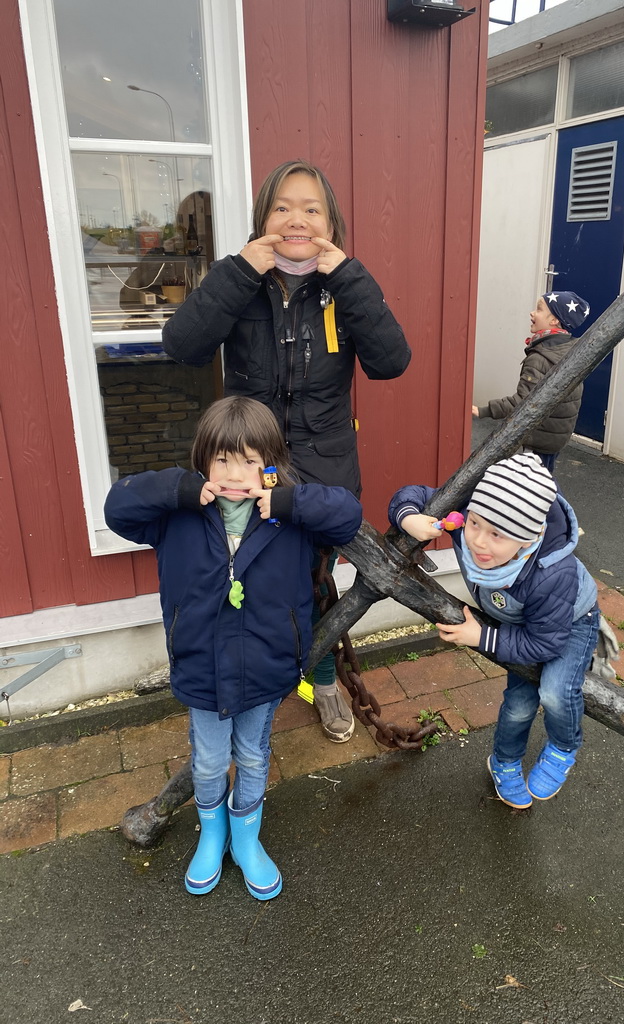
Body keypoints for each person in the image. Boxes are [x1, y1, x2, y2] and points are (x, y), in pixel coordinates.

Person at [162, 160, 411, 744]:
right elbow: (182, 345)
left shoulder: (343, 285)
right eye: (282, 207)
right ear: (262, 218)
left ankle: (322, 679)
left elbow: (391, 361)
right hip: (249, 466)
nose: (295, 218)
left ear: (330, 223)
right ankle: (264, 688)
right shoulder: (240, 282)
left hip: (323, 470)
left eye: (311, 208)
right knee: (256, 579)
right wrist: (237, 270)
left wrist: (347, 276)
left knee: (316, 585)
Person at [104, 396, 362, 898]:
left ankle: (246, 839)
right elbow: (119, 507)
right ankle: (213, 834)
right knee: (207, 761)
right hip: (203, 667)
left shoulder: (288, 515)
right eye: (222, 459)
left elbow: (347, 515)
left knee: (253, 755)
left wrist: (287, 498)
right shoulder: (178, 514)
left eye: (249, 460)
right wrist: (180, 488)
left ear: (269, 465)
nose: (235, 473)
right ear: (204, 461)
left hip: (266, 667)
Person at [389, 451, 599, 809]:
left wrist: (483, 638)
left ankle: (564, 747)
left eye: (497, 535)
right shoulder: (471, 522)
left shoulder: (553, 573)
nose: (479, 542)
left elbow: (544, 644)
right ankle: (504, 761)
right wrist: (409, 517)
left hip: (569, 622)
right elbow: (416, 494)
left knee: (554, 692)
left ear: (529, 538)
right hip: (519, 623)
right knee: (519, 705)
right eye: (474, 525)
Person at [472, 290, 590, 472]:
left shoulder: (540, 358)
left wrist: (483, 410)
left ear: (554, 320)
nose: (532, 313)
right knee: (543, 484)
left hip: (538, 439)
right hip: (555, 437)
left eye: (539, 309)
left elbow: (524, 403)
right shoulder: (568, 349)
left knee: (531, 490)